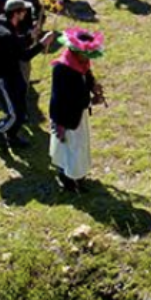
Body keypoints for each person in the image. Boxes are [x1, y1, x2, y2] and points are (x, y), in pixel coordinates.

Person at [0, 0, 56, 150]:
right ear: (16, 13)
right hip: (3, 77)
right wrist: (42, 43)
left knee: (22, 110)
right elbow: (24, 55)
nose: (26, 13)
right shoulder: (4, 33)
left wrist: (30, 37)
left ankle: (12, 137)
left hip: (14, 73)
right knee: (14, 114)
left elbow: (15, 44)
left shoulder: (6, 23)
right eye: (24, 10)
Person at [49, 27, 106, 192]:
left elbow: (87, 74)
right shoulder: (62, 69)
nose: (87, 58)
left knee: (78, 146)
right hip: (67, 117)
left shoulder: (80, 62)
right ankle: (68, 179)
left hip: (77, 115)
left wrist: (93, 85)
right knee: (71, 147)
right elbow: (70, 98)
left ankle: (76, 174)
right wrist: (91, 100)